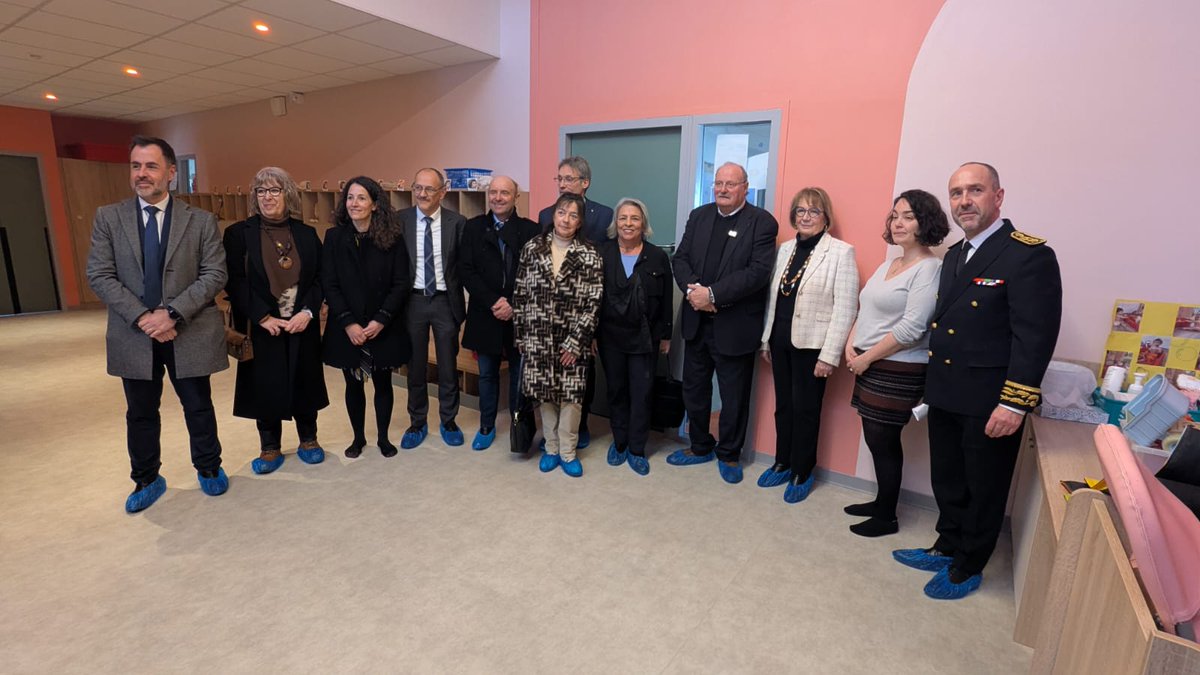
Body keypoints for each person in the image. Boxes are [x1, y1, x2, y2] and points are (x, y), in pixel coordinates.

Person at [893, 162, 1062, 600]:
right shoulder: (955, 255)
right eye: (955, 193)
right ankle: (947, 544)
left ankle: (969, 564)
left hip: (991, 399)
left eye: (974, 190)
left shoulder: (1028, 254)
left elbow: (1035, 336)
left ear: (998, 196)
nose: (964, 201)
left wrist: (1015, 403)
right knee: (948, 479)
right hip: (947, 391)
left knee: (984, 486)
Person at [86, 135, 228, 512]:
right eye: (135, 166)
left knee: (198, 405)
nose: (142, 174)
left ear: (171, 173)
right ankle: (146, 478)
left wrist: (172, 313)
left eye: (151, 166)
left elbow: (214, 274)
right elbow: (100, 274)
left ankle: (209, 468)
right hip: (134, 334)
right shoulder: (109, 217)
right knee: (141, 413)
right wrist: (144, 317)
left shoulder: (200, 221)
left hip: (188, 329)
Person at [842, 189, 948, 537]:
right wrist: (849, 345)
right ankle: (880, 501)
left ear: (925, 222)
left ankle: (887, 515)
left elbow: (913, 328)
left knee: (884, 440)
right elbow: (865, 307)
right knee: (875, 438)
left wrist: (867, 357)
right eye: (895, 215)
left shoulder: (930, 268)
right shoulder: (890, 263)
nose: (898, 223)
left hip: (897, 366)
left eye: (908, 216)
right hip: (869, 363)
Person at [668, 162, 778, 484]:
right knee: (695, 390)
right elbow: (681, 259)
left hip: (734, 326)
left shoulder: (762, 223)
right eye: (718, 183)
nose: (723, 190)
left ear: (745, 187)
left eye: (731, 184)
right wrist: (694, 293)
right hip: (696, 322)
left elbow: (757, 273)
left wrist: (713, 295)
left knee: (733, 396)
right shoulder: (699, 216)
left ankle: (729, 454)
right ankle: (699, 445)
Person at [223, 167, 329, 474]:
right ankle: (269, 447)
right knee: (265, 383)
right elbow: (235, 281)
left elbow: (321, 278)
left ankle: (309, 439)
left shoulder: (307, 235)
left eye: (274, 190)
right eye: (261, 191)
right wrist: (261, 316)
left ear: (288, 195)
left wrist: (308, 312)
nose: (267, 197)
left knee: (305, 379)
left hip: (301, 322)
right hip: (262, 324)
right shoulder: (238, 234)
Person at [758, 187, 859, 502]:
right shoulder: (785, 250)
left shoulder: (841, 252)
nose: (805, 216)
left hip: (813, 347)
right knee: (784, 406)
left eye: (813, 211)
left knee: (806, 410)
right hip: (780, 341)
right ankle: (782, 462)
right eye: (800, 211)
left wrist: (829, 355)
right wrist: (766, 340)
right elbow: (773, 300)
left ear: (825, 217)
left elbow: (845, 308)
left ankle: (803, 469)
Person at [514, 193, 603, 477]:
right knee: (545, 395)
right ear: (554, 214)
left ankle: (567, 451)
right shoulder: (532, 247)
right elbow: (520, 294)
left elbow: (594, 302)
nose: (566, 219)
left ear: (580, 221)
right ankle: (551, 448)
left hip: (572, 339)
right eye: (562, 212)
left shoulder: (590, 254)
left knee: (571, 397)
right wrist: (522, 337)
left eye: (573, 215)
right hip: (537, 336)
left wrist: (577, 342)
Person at [322, 176, 412, 458]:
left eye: (361, 198)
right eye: (350, 197)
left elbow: (401, 282)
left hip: (382, 326)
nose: (354, 203)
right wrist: (349, 322)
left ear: (374, 204)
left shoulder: (392, 237)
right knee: (353, 383)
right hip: (347, 327)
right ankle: (358, 438)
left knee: (383, 384)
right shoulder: (334, 237)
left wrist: (380, 320)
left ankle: (383, 438)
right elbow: (330, 283)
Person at [537, 156, 614, 448]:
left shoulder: (604, 215)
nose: (563, 184)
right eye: (560, 179)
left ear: (585, 183)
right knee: (551, 372)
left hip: (587, 309)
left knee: (583, 372)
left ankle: (580, 427)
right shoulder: (546, 214)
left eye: (569, 179)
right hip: (551, 313)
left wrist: (590, 329)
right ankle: (552, 434)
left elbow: (606, 268)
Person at [460, 176, 540, 450]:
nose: (497, 197)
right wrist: (495, 301)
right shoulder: (473, 227)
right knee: (486, 374)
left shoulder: (531, 230)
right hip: (485, 313)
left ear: (516, 197)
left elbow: (535, 274)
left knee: (520, 375)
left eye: (504, 192)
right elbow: (466, 271)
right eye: (493, 192)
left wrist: (514, 304)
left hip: (520, 315)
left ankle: (519, 427)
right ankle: (486, 425)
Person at [597, 198, 672, 476]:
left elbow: (665, 300)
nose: (628, 224)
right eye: (623, 218)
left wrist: (665, 335)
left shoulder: (657, 257)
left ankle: (637, 449)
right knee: (616, 391)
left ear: (644, 224)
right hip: (610, 337)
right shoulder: (602, 252)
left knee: (641, 394)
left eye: (635, 219)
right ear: (616, 223)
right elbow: (593, 298)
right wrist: (592, 335)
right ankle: (619, 443)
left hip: (645, 338)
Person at [398, 168, 467, 449]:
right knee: (415, 364)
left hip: (444, 301)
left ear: (443, 192)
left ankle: (449, 420)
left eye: (429, 189)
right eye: (418, 188)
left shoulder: (457, 223)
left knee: (448, 365)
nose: (423, 194)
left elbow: (464, 267)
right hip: (412, 300)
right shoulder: (399, 220)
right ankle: (417, 422)